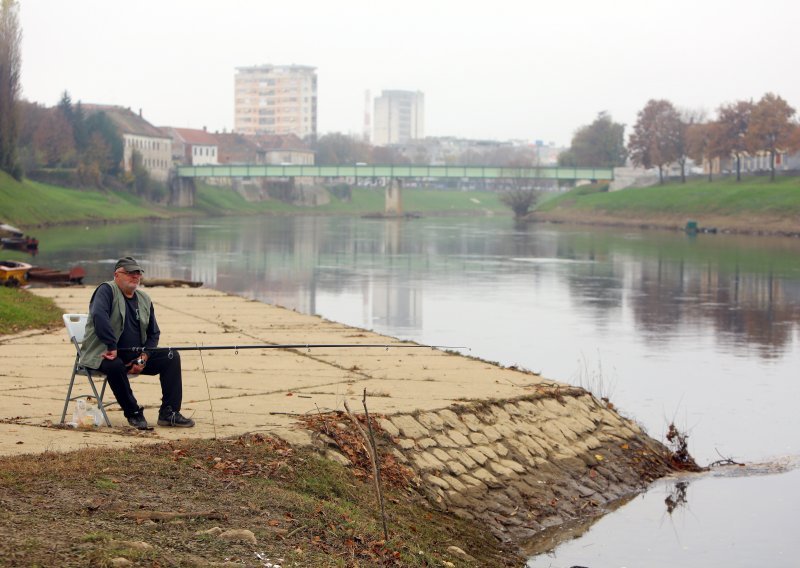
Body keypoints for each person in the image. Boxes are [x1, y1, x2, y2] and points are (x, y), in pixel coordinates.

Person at [80, 256, 195, 429]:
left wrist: (143, 357)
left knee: (171, 356)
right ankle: (133, 412)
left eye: (138, 273)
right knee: (115, 365)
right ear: (117, 274)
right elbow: (99, 316)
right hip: (103, 354)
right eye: (129, 273)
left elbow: (154, 333)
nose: (135, 276)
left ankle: (169, 413)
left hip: (136, 357)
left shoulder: (144, 299)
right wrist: (112, 346)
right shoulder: (106, 290)